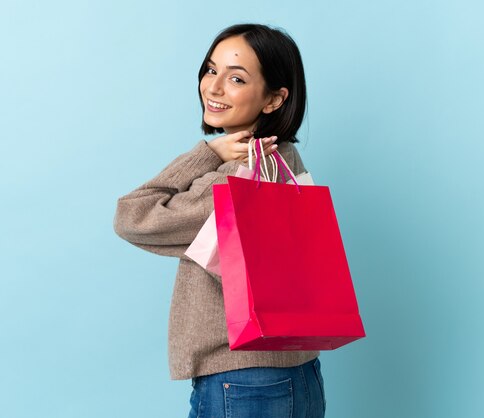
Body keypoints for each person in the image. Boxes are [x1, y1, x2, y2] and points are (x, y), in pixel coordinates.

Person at [114, 23, 326, 418]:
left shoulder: (236, 175)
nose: (213, 88)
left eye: (237, 78)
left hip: (243, 381)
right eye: (211, 70)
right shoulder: (284, 159)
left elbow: (133, 215)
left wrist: (208, 153)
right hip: (301, 374)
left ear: (274, 100)